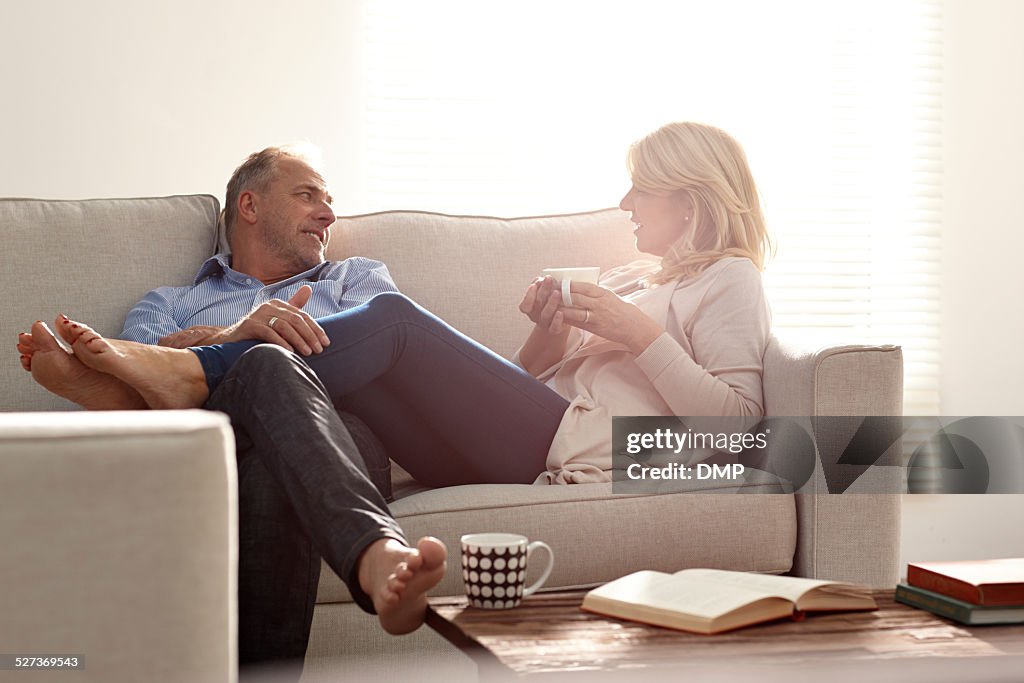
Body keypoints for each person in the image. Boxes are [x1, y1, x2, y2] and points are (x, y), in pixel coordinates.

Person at [19, 119, 773, 666]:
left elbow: (741, 426)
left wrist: (632, 331)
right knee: (270, 366)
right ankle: (225, 398)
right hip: (543, 430)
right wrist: (550, 333)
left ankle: (183, 384)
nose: (626, 199)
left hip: (583, 447)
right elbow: (542, 381)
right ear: (246, 208)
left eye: (642, 184)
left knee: (380, 323)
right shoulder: (633, 278)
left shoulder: (728, 277)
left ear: (691, 194)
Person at [16, 144, 447, 681]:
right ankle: (374, 554)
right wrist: (236, 333)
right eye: (308, 195)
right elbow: (141, 385)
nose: (329, 213)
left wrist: (216, 345)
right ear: (249, 205)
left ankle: (163, 381)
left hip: (336, 434)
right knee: (252, 444)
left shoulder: (354, 279)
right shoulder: (167, 303)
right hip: (210, 450)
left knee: (266, 391)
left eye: (330, 201)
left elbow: (388, 362)